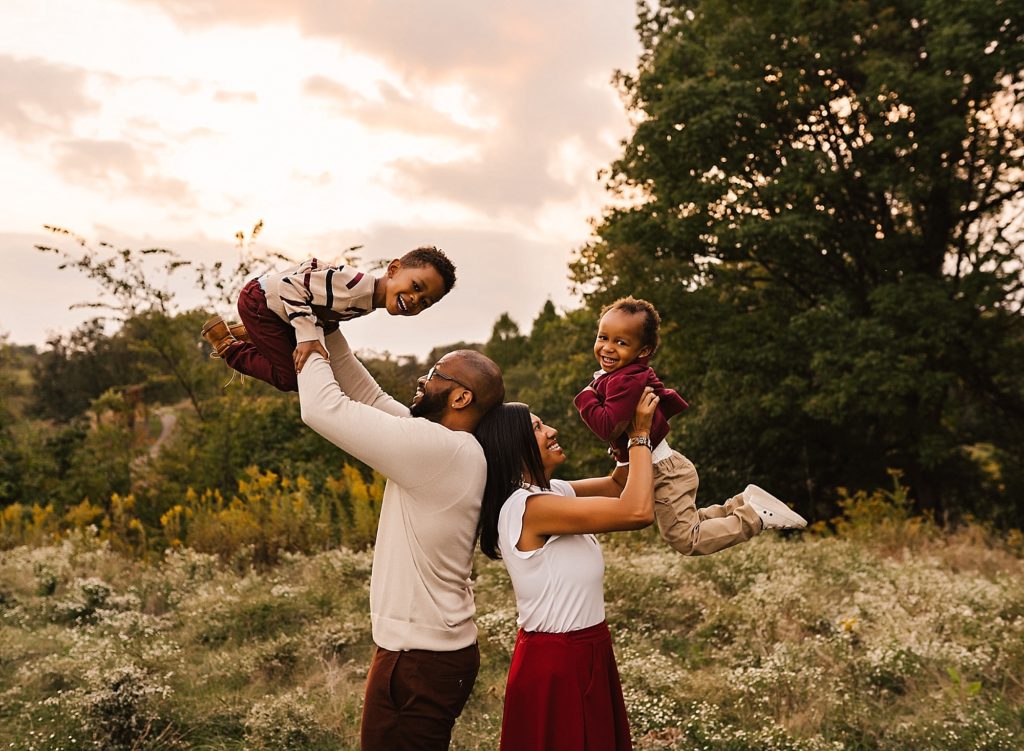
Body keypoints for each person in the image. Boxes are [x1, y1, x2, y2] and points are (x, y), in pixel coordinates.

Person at [294, 327, 504, 750]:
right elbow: (367, 397)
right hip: (423, 653)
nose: (423, 379)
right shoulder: (449, 445)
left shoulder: (440, 449)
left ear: (461, 397)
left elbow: (321, 408)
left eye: (435, 373)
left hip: (420, 660)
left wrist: (304, 329)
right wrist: (328, 326)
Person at [474, 391, 661, 750]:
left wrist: (622, 434)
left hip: (589, 650)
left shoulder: (552, 492)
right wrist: (640, 435)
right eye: (539, 427)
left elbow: (620, 485)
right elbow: (637, 511)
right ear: (515, 446)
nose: (552, 430)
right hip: (556, 664)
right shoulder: (529, 507)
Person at [573, 296, 807, 557]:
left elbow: (608, 428)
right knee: (689, 522)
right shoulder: (622, 375)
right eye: (603, 337)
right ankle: (743, 503)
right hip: (657, 467)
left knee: (686, 539)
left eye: (621, 342)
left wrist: (585, 396)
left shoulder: (625, 381)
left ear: (643, 351)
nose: (608, 348)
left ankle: (754, 516)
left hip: (663, 472)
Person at [200, 246, 456, 391]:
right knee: (290, 376)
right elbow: (289, 286)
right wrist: (308, 336)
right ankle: (229, 346)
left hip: (275, 310)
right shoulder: (354, 286)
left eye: (425, 301)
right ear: (393, 269)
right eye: (416, 286)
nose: (414, 299)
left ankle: (254, 334)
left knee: (308, 358)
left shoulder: (367, 301)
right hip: (261, 304)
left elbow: (312, 278)